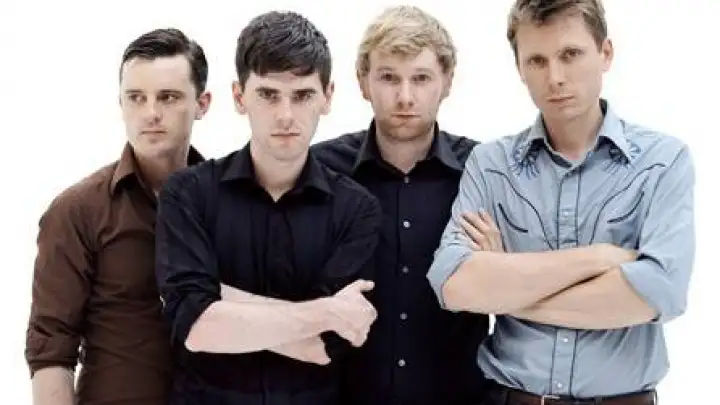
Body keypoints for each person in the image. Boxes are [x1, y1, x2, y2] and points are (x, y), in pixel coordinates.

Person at [428, 1, 695, 404]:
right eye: (537, 61)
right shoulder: (491, 165)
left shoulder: (662, 162)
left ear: (605, 53)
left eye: (570, 54)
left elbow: (658, 293)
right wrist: (599, 259)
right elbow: (454, 285)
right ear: (519, 68)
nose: (555, 78)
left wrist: (507, 286)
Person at [154, 10, 383, 405]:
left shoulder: (357, 209)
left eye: (303, 95)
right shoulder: (187, 193)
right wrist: (326, 310)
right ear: (239, 97)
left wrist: (220, 299)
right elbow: (195, 327)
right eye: (268, 94)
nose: (285, 115)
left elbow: (324, 345)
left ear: (328, 97)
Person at [312, 6, 489, 405]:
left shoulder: (483, 172)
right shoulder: (320, 171)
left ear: (447, 81)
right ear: (363, 82)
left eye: (421, 78)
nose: (405, 97)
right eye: (389, 77)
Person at [24, 28, 211, 405]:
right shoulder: (77, 210)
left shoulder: (228, 204)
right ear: (121, 104)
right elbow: (51, 349)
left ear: (202, 103)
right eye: (136, 98)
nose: (151, 113)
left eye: (168, 97)